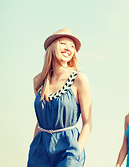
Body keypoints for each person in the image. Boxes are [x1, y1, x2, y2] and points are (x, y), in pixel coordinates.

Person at [27, 28, 92, 167]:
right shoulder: (38, 81)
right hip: (40, 151)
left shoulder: (79, 79)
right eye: (63, 43)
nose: (68, 48)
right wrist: (33, 148)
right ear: (53, 47)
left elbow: (88, 124)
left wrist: (76, 153)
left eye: (72, 46)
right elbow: (40, 121)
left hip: (68, 150)